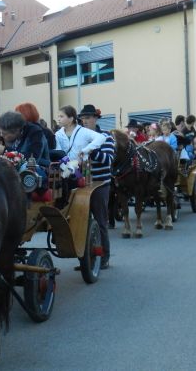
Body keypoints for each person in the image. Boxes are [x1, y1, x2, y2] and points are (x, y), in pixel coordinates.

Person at [78, 104, 115, 269]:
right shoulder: (80, 136)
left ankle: (104, 257)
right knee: (81, 224)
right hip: (83, 186)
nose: (84, 121)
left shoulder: (106, 137)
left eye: (87, 118)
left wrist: (91, 150)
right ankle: (86, 261)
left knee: (100, 222)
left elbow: (108, 160)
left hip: (100, 185)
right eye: (82, 119)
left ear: (95, 118)